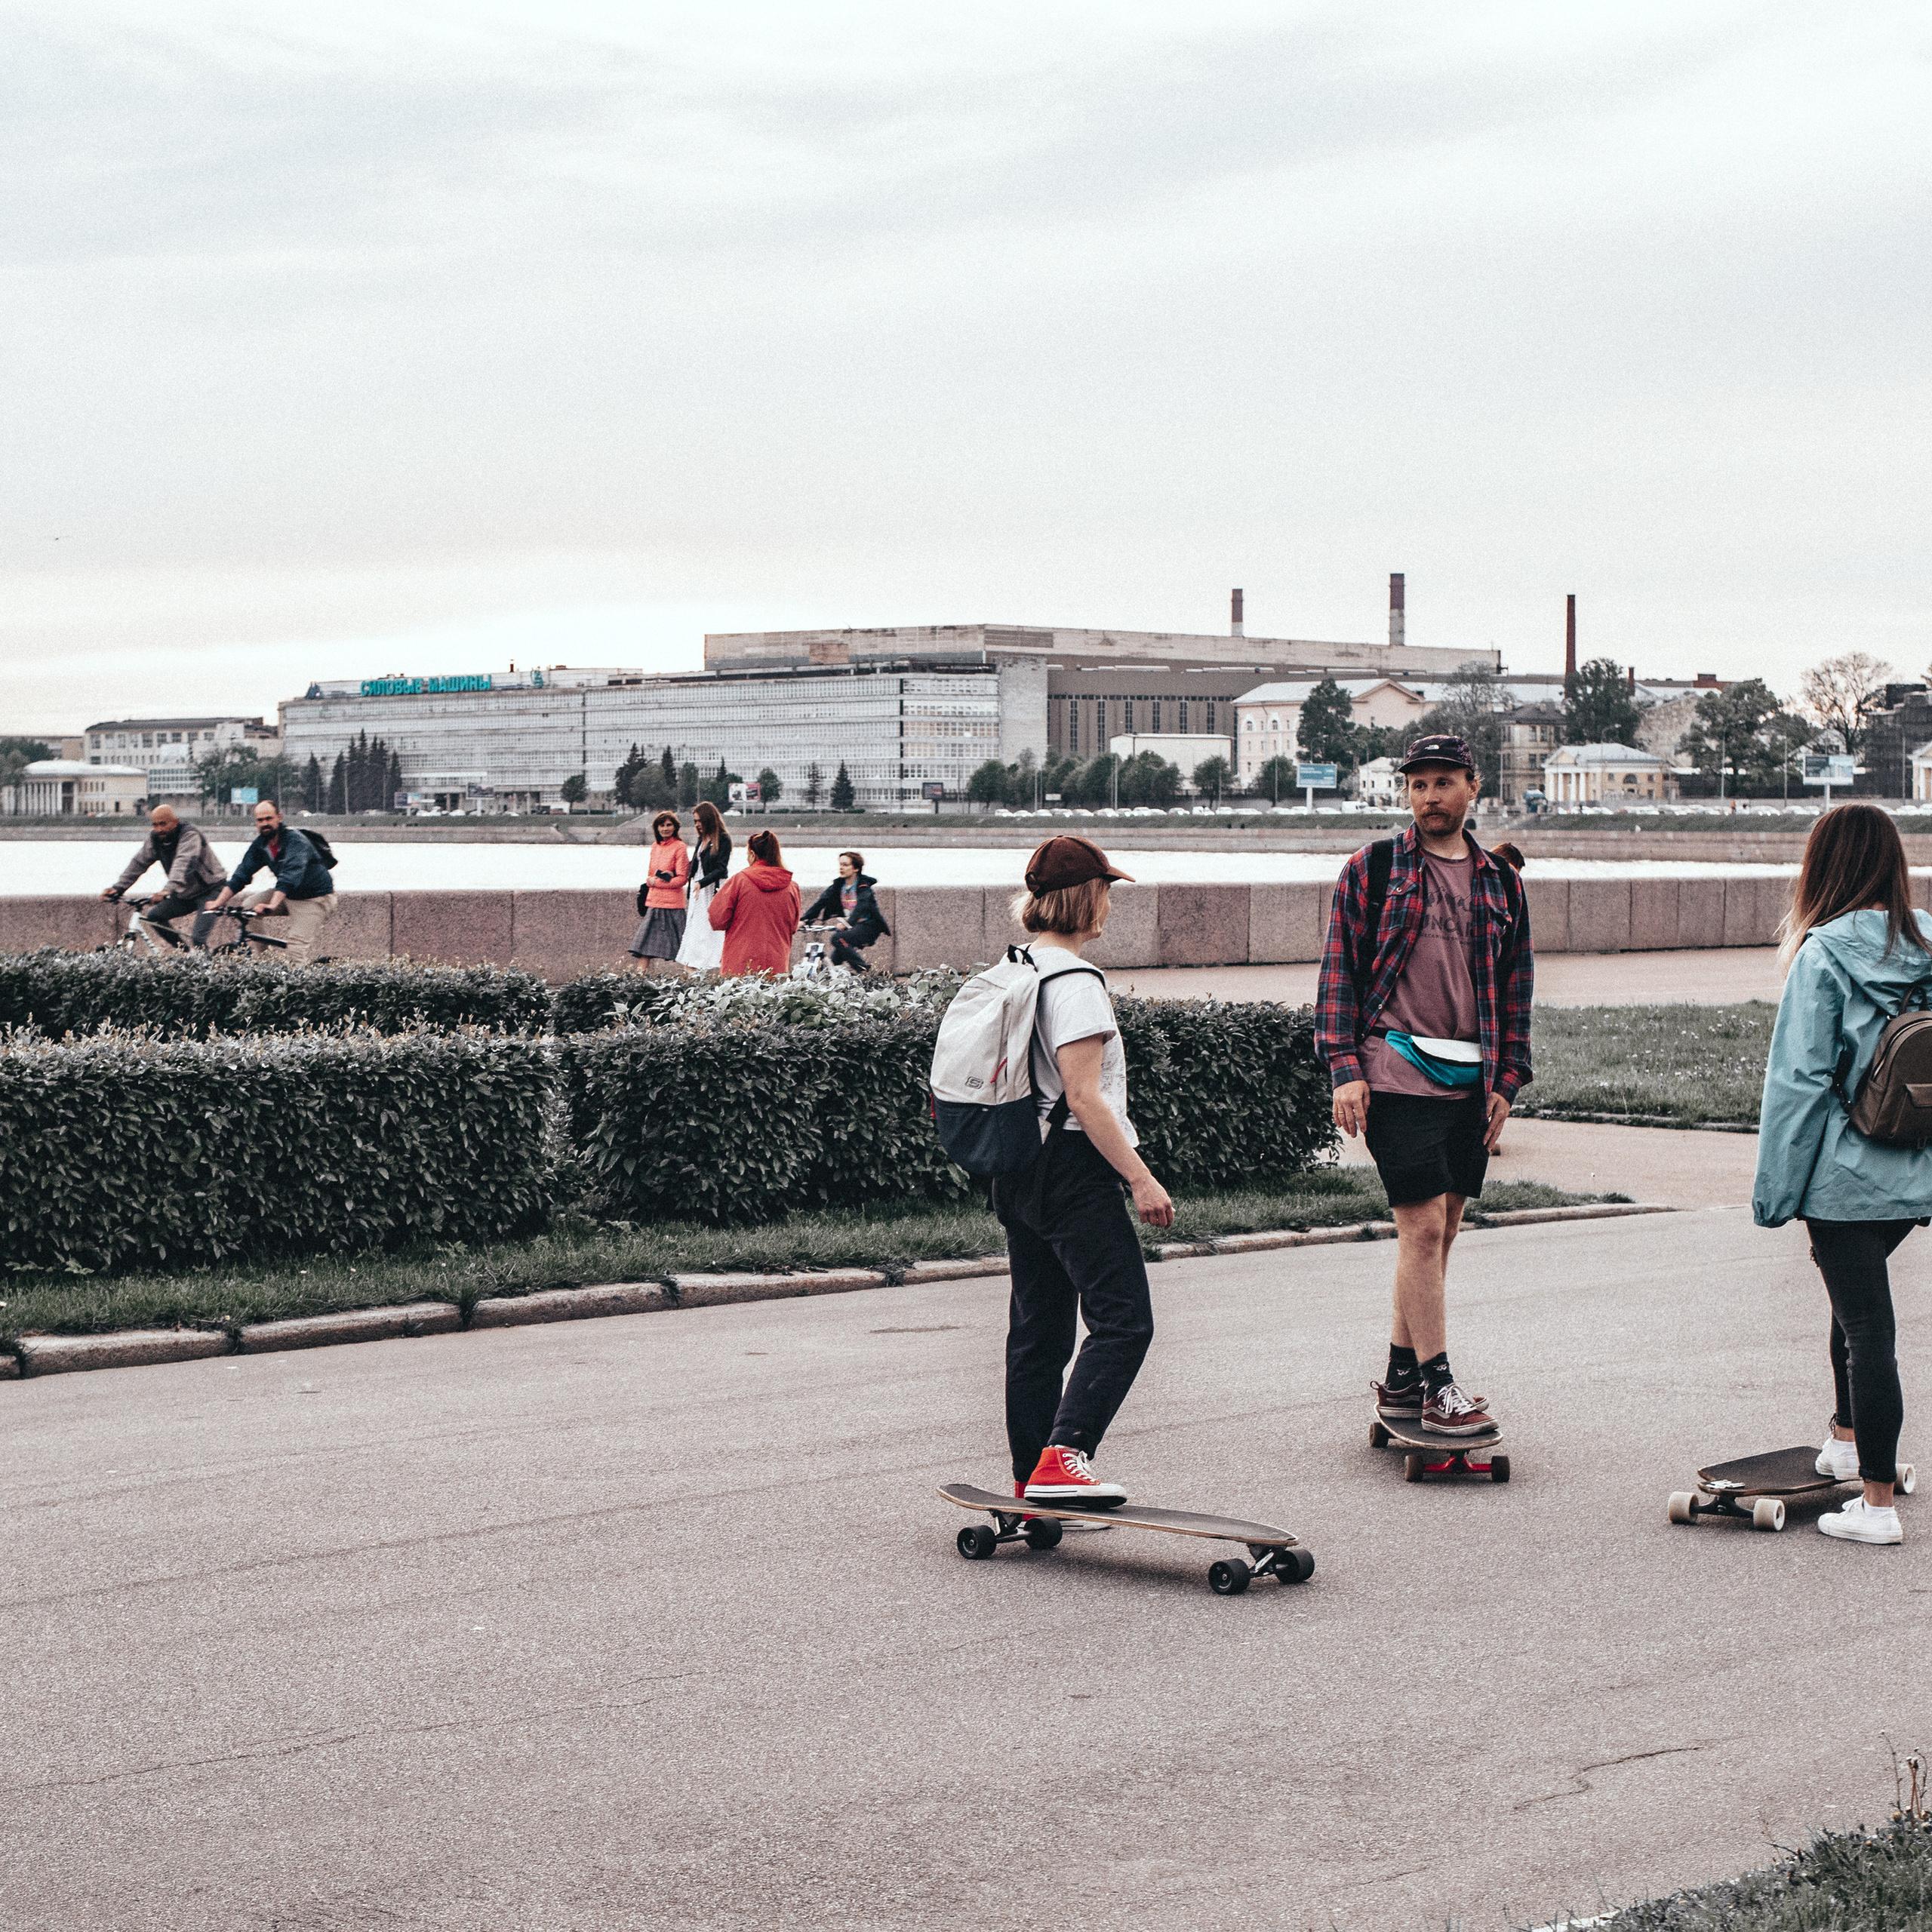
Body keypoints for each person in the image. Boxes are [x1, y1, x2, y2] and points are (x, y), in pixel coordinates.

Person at [1315, 733, 1532, 1439]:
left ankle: (1402, 1373)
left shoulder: (1501, 882)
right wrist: (1346, 1070)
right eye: (1418, 785)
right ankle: (1439, 1386)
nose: (1430, 797)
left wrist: (1509, 1077)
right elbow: (1339, 974)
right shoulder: (1373, 868)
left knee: (1443, 1235)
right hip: (1392, 1069)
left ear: (1473, 786)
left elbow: (1516, 986)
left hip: (1472, 1075)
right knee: (1423, 1225)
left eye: (1443, 783)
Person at [1753, 803, 1932, 1546]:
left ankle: (1878, 1502)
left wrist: (1775, 1195)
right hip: (1912, 1171)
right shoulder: (1926, 947)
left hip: (1843, 1176)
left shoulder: (1823, 955)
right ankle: (1847, 1439)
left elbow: (1797, 1084)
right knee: (1851, 1304)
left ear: (1822, 866)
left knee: (1867, 1329)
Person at [998, 835, 1174, 1506]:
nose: (1109, 905)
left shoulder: (1016, 967)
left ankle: (1028, 1474)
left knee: (1039, 1330)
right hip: (1073, 1166)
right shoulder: (1075, 983)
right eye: (1106, 891)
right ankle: (1064, 1455)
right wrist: (1141, 1178)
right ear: (1088, 897)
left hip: (1017, 1164)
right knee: (1124, 1321)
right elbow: (1083, 1097)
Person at [206, 799, 338, 966]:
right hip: (290, 895)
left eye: (269, 818)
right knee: (249, 906)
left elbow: (289, 877)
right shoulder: (261, 845)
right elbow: (241, 875)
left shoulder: (296, 841)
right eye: (260, 820)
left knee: (295, 949)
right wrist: (218, 902)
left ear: (279, 817)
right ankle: (267, 963)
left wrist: (272, 905)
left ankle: (304, 988)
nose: (265, 824)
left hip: (315, 899)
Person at [100, 805, 226, 949]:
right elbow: (139, 863)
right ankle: (184, 953)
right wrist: (118, 888)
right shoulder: (156, 839)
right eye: (155, 825)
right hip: (185, 893)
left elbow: (184, 863)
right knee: (155, 917)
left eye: (163, 824)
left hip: (211, 890)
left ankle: (206, 967)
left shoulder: (189, 835)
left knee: (198, 938)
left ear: (175, 822)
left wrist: (167, 890)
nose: (159, 829)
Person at [706, 827, 800, 977]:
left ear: (752, 854)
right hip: (777, 965)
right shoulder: (791, 886)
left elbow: (717, 920)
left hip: (739, 965)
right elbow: (793, 926)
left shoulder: (739, 880)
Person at [801, 850, 891, 972]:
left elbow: (862, 906)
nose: (841, 868)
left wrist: (846, 923)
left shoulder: (864, 887)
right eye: (840, 865)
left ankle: (864, 971)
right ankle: (828, 977)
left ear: (856, 868)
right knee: (829, 968)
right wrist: (804, 920)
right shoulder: (839, 885)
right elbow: (821, 902)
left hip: (869, 927)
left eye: (846, 865)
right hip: (852, 927)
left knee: (837, 939)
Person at [629, 811, 690, 974]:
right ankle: (637, 982)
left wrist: (658, 882)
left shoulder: (680, 847)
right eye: (662, 825)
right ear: (657, 828)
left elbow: (683, 879)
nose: (665, 829)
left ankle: (695, 981)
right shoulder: (655, 847)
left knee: (684, 948)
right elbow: (650, 875)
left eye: (669, 825)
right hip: (654, 903)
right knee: (644, 948)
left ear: (675, 827)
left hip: (673, 904)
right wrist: (652, 881)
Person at [674, 801, 732, 973]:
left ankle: (701, 965)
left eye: (700, 821)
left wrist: (702, 883)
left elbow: (722, 869)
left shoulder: (723, 839)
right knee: (695, 929)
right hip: (698, 891)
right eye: (695, 821)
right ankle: (694, 965)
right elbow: (697, 864)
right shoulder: (702, 839)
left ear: (709, 819)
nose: (697, 825)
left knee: (707, 930)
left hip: (711, 890)